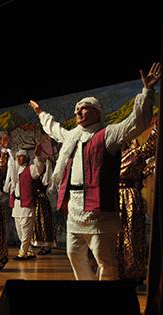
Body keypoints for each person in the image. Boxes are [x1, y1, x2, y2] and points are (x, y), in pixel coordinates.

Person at [29, 62, 160, 280]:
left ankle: (107, 301)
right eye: (77, 108)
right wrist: (40, 112)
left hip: (98, 209)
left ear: (97, 112)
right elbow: (54, 129)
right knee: (73, 252)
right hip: (75, 206)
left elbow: (136, 122)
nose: (78, 111)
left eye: (84, 108)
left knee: (104, 259)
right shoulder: (72, 136)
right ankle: (88, 293)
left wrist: (147, 92)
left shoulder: (108, 134)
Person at [117, 122, 158, 283]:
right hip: (113, 199)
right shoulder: (109, 158)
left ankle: (130, 272)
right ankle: (115, 269)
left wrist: (156, 130)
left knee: (131, 235)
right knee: (114, 238)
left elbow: (150, 145)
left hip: (129, 199)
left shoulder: (133, 154)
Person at [7, 146, 45, 260]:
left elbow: (40, 168)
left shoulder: (31, 168)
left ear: (27, 158)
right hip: (17, 204)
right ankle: (29, 251)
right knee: (19, 230)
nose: (19, 159)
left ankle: (22, 253)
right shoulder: (15, 170)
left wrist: (38, 156)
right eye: (17, 157)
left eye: (21, 157)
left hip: (27, 204)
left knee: (26, 230)